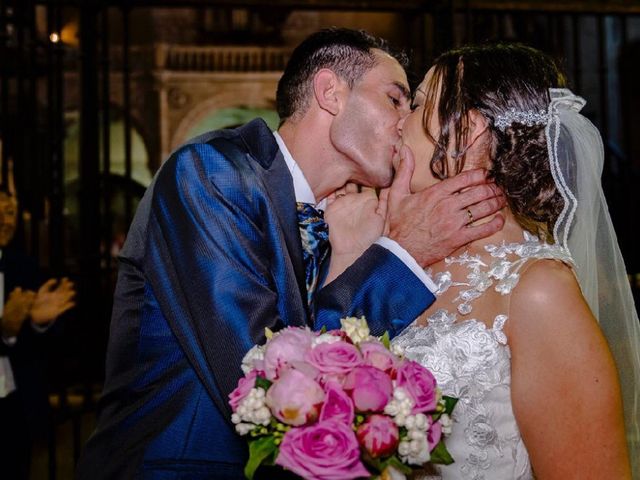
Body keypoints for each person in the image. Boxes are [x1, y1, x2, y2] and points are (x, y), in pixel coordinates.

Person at [75, 28, 505, 479]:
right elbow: (262, 372)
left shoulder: (333, 219)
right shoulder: (212, 172)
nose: (406, 120)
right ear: (330, 93)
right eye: (396, 99)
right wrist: (403, 250)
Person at [352, 43, 639, 478]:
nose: (399, 121)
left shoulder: (538, 288)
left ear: (468, 130)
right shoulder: (405, 262)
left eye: (420, 103)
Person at [0, 161, 76, 479]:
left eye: (10, 212)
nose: (6, 220)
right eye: (0, 211)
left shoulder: (23, 266)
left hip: (13, 411)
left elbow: (54, 343)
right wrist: (4, 330)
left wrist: (39, 323)